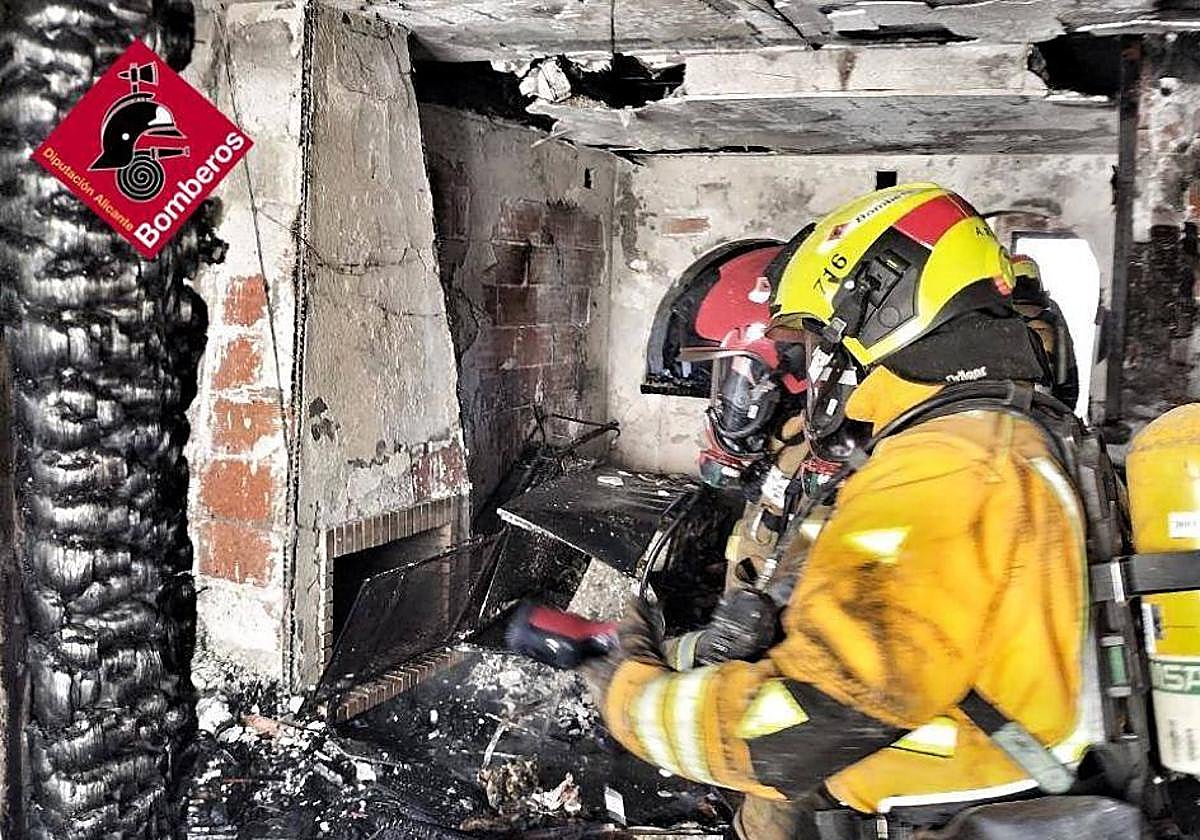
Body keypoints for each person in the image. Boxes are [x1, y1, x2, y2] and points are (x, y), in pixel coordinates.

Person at [584, 184, 1107, 840]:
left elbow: (802, 724)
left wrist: (628, 697)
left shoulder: (942, 467)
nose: (826, 363)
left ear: (881, 313)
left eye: (826, 334)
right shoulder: (1004, 432)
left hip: (948, 817)